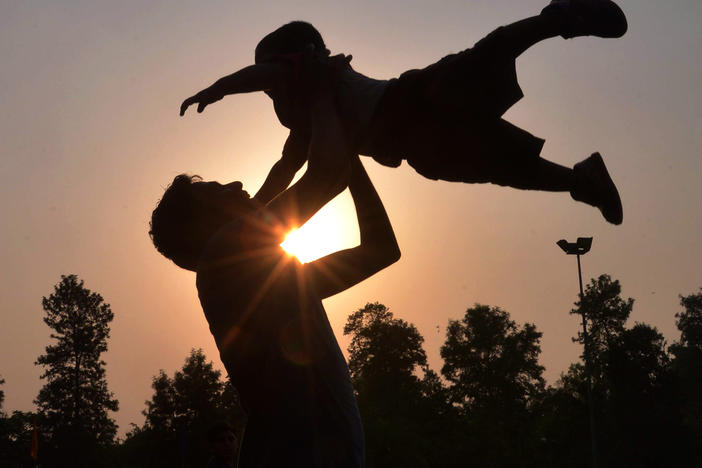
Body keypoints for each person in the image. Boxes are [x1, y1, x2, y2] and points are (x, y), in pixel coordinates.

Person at [180, 0, 627, 225]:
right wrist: (258, 209)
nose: (270, 91)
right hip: (417, 146)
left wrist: (220, 87)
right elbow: (285, 168)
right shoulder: (307, 125)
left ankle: (559, 18)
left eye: (272, 79)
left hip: (410, 101)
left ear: (300, 57)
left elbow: (258, 76)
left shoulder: (318, 73)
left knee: (480, 62)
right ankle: (580, 180)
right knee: (496, 163)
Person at [151, 77, 400, 466]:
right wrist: (321, 97)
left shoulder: (267, 283)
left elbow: (381, 250)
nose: (236, 183)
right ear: (206, 225)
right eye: (219, 188)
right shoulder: (225, 253)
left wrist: (340, 148)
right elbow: (325, 173)